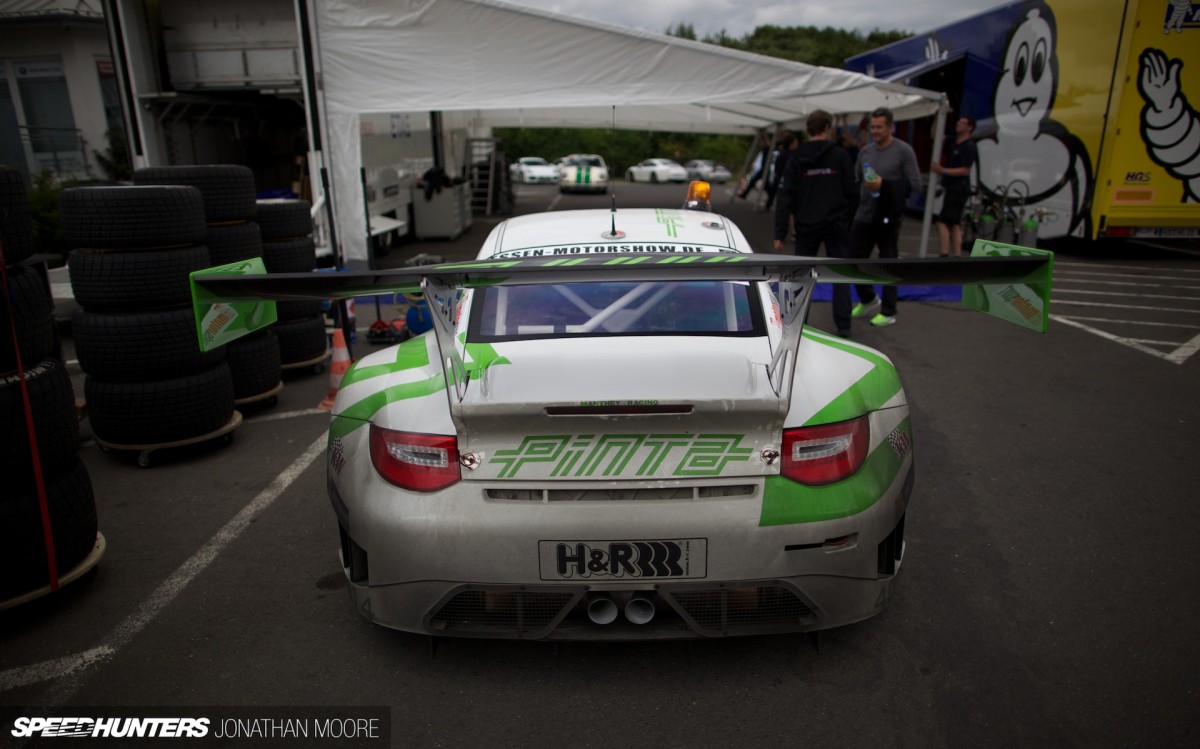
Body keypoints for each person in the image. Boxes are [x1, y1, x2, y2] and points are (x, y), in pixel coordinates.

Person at [773, 110, 857, 337]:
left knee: (801, 277)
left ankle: (799, 325)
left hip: (806, 225)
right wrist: (847, 221)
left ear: (808, 129)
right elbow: (852, 192)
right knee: (840, 275)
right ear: (828, 127)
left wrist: (780, 232)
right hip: (835, 224)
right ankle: (843, 326)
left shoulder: (795, 158)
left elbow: (786, 196)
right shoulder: (840, 156)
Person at [849, 107, 923, 327]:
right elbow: (856, 178)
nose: (875, 131)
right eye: (872, 127)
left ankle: (889, 311)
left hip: (888, 216)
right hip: (864, 213)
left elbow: (916, 185)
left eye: (879, 127)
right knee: (852, 260)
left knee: (888, 262)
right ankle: (868, 298)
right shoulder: (866, 151)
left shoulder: (903, 151)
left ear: (890, 127)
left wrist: (885, 185)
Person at [932, 115, 978, 256]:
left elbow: (965, 170)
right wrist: (938, 116)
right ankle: (956, 255)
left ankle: (945, 254)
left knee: (942, 221)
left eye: (963, 123)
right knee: (954, 223)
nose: (958, 124)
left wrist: (943, 170)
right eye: (959, 121)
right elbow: (936, 136)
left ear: (969, 128)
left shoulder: (969, 146)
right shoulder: (953, 141)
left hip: (959, 188)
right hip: (951, 187)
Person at [764, 131, 797, 210]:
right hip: (786, 179)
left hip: (780, 178)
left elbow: (777, 166)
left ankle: (769, 204)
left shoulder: (782, 153)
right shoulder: (792, 155)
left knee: (776, 192)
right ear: (791, 143)